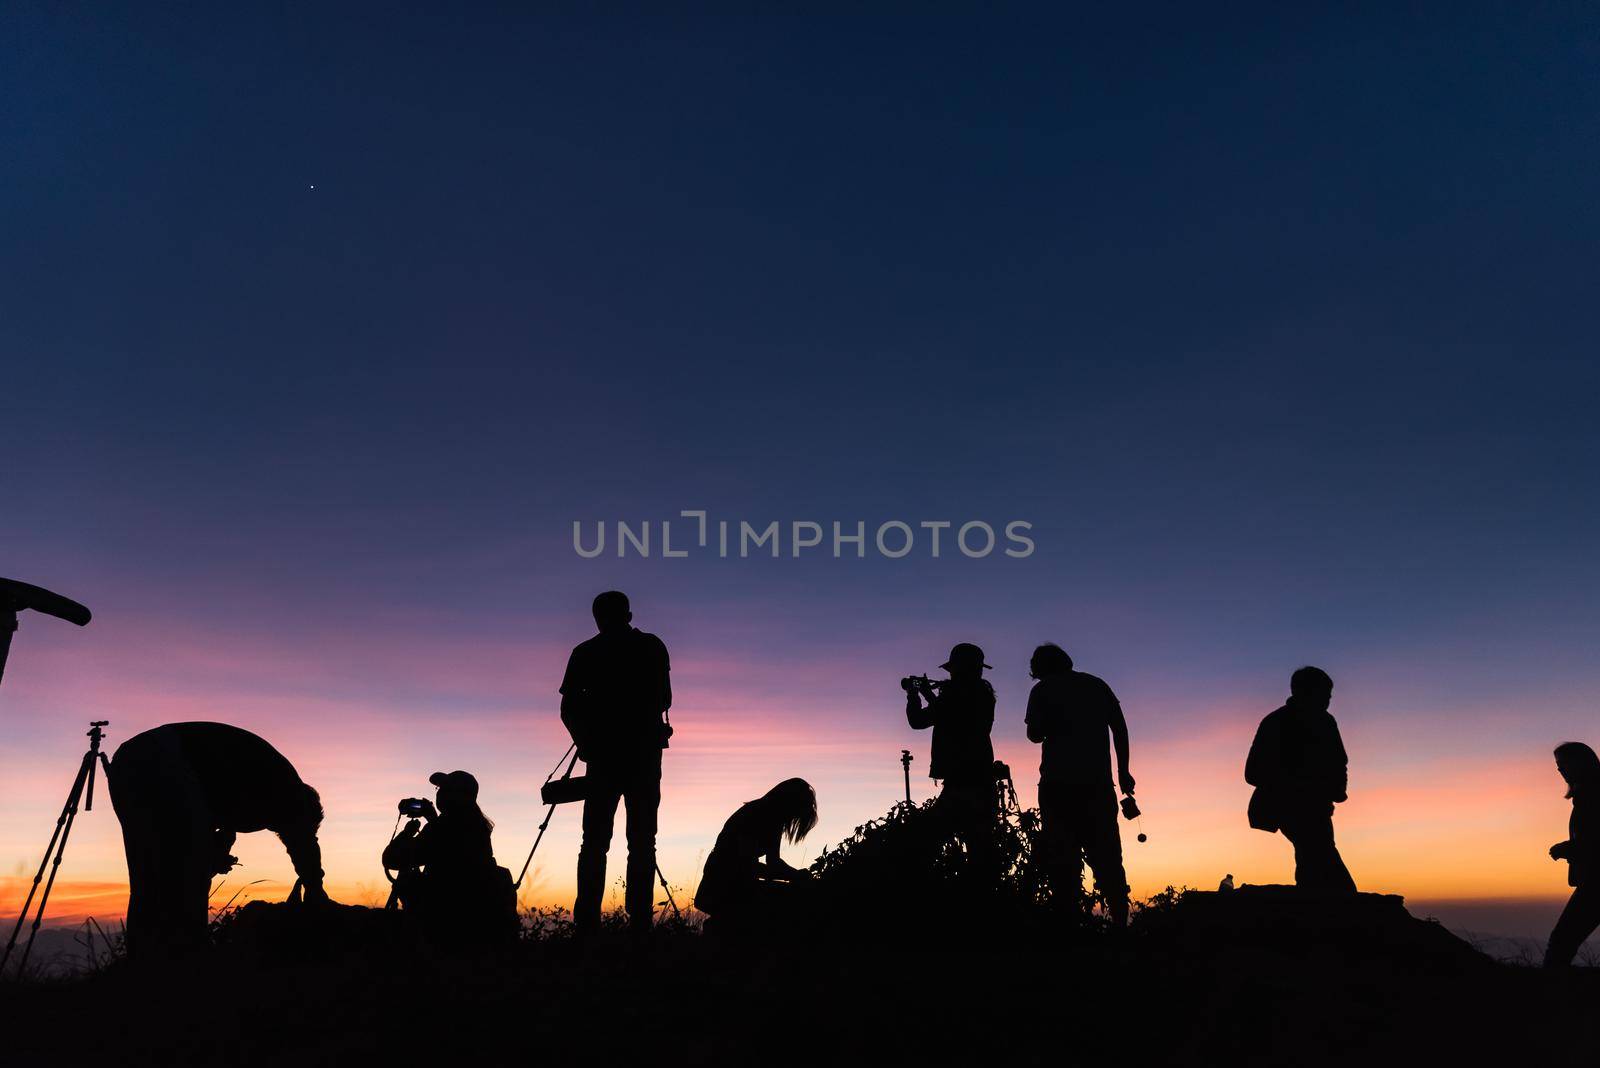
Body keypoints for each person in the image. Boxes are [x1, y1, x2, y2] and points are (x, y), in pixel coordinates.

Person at [107, 721, 327, 956]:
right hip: (169, 758)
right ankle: (186, 956)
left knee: (148, 870)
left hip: (129, 761)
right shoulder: (287, 789)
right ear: (304, 813)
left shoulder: (258, 788)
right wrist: (314, 886)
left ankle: (145, 958)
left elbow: (209, 820)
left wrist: (211, 855)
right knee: (184, 875)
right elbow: (303, 842)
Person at [559, 590, 673, 936]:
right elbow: (664, 698)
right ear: (629, 613)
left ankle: (587, 925)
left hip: (603, 759)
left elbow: (568, 710)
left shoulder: (585, 652)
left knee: (593, 842)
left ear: (597, 617)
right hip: (643, 757)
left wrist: (588, 742)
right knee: (642, 842)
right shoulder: (652, 646)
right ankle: (639, 924)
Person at [1023, 643, 1134, 926]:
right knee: (1108, 857)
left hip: (1057, 786)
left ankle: (1069, 928)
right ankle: (1121, 922)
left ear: (1040, 668)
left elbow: (1034, 734)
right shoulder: (1096, 685)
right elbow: (1119, 728)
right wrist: (1124, 771)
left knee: (1063, 861)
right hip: (1097, 785)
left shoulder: (1042, 691)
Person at [1244, 666, 1357, 894]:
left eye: (1329, 695)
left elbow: (1339, 760)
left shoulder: (1326, 722)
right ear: (1303, 692)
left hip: (1318, 809)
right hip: (1290, 808)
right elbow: (1252, 772)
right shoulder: (1276, 723)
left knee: (1312, 861)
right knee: (1321, 858)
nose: (1328, 700)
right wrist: (1299, 785)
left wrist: (1336, 790)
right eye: (1323, 694)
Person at [382, 769, 516, 942]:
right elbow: (451, 847)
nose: (439, 794)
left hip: (442, 918)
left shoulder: (442, 828)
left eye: (444, 789)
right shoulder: (478, 827)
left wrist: (407, 834)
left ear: (456, 795)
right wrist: (433, 819)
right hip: (475, 916)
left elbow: (392, 859)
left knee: (409, 878)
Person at [906, 642, 997, 874]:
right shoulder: (979, 694)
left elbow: (952, 720)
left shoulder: (969, 696)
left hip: (966, 783)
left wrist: (923, 695)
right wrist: (920, 696)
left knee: (926, 842)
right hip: (975, 782)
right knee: (980, 852)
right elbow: (925, 720)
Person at [694, 778, 817, 935]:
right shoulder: (760, 816)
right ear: (790, 803)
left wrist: (795, 875)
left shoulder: (769, 816)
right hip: (721, 887)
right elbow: (745, 865)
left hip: (732, 885)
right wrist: (796, 876)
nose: (793, 819)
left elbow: (772, 863)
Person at [1544, 741, 1600, 968]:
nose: (1560, 770)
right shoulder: (1587, 795)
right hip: (1592, 879)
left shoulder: (1592, 795)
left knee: (1562, 940)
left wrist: (1568, 849)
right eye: (1558, 766)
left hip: (1596, 882)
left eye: (1563, 764)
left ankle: (1550, 993)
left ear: (1581, 763)